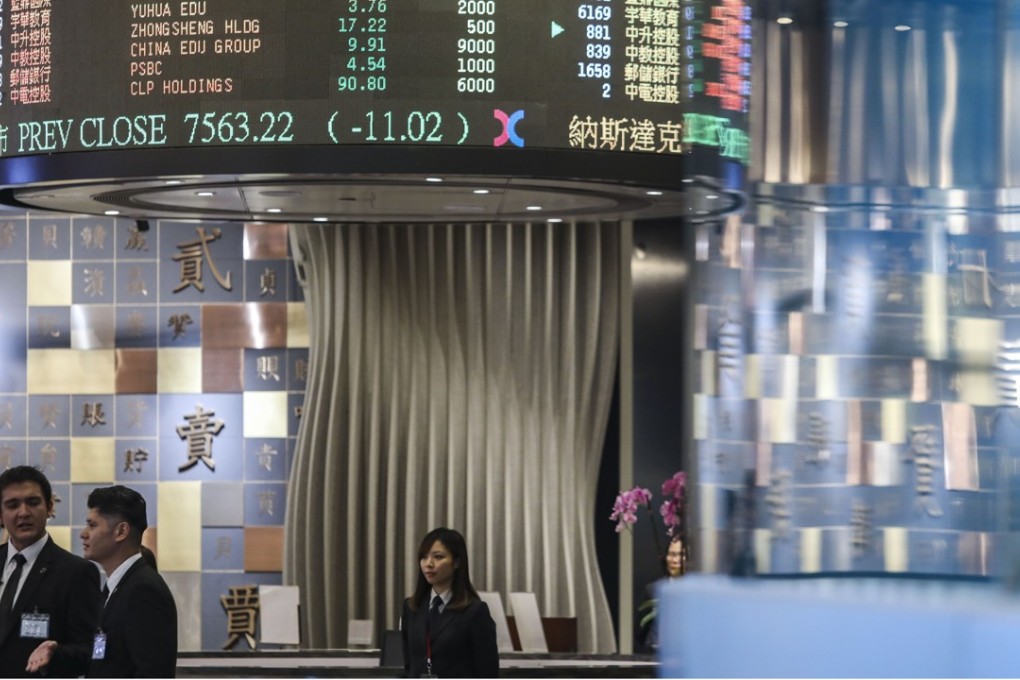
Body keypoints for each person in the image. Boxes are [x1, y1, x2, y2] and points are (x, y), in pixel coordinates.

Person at [33, 485, 177, 678]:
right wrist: (57, 653)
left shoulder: (143, 590)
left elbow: (153, 672)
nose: (83, 533)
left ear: (121, 531)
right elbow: (106, 658)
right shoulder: (117, 587)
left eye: (92, 525)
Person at [0, 465, 101, 678]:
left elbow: (94, 651)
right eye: (12, 505)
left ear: (49, 507)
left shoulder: (77, 573)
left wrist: (56, 655)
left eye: (33, 502)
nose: (23, 512)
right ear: (1, 515)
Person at [401, 527, 498, 678]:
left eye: (438, 557)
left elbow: (487, 671)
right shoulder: (411, 607)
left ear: (457, 562)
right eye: (424, 557)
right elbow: (408, 664)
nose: (428, 564)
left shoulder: (475, 611)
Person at [641, 538, 685, 653]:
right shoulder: (654, 589)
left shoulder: (696, 592)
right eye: (671, 554)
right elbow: (641, 630)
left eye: (679, 555)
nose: (674, 560)